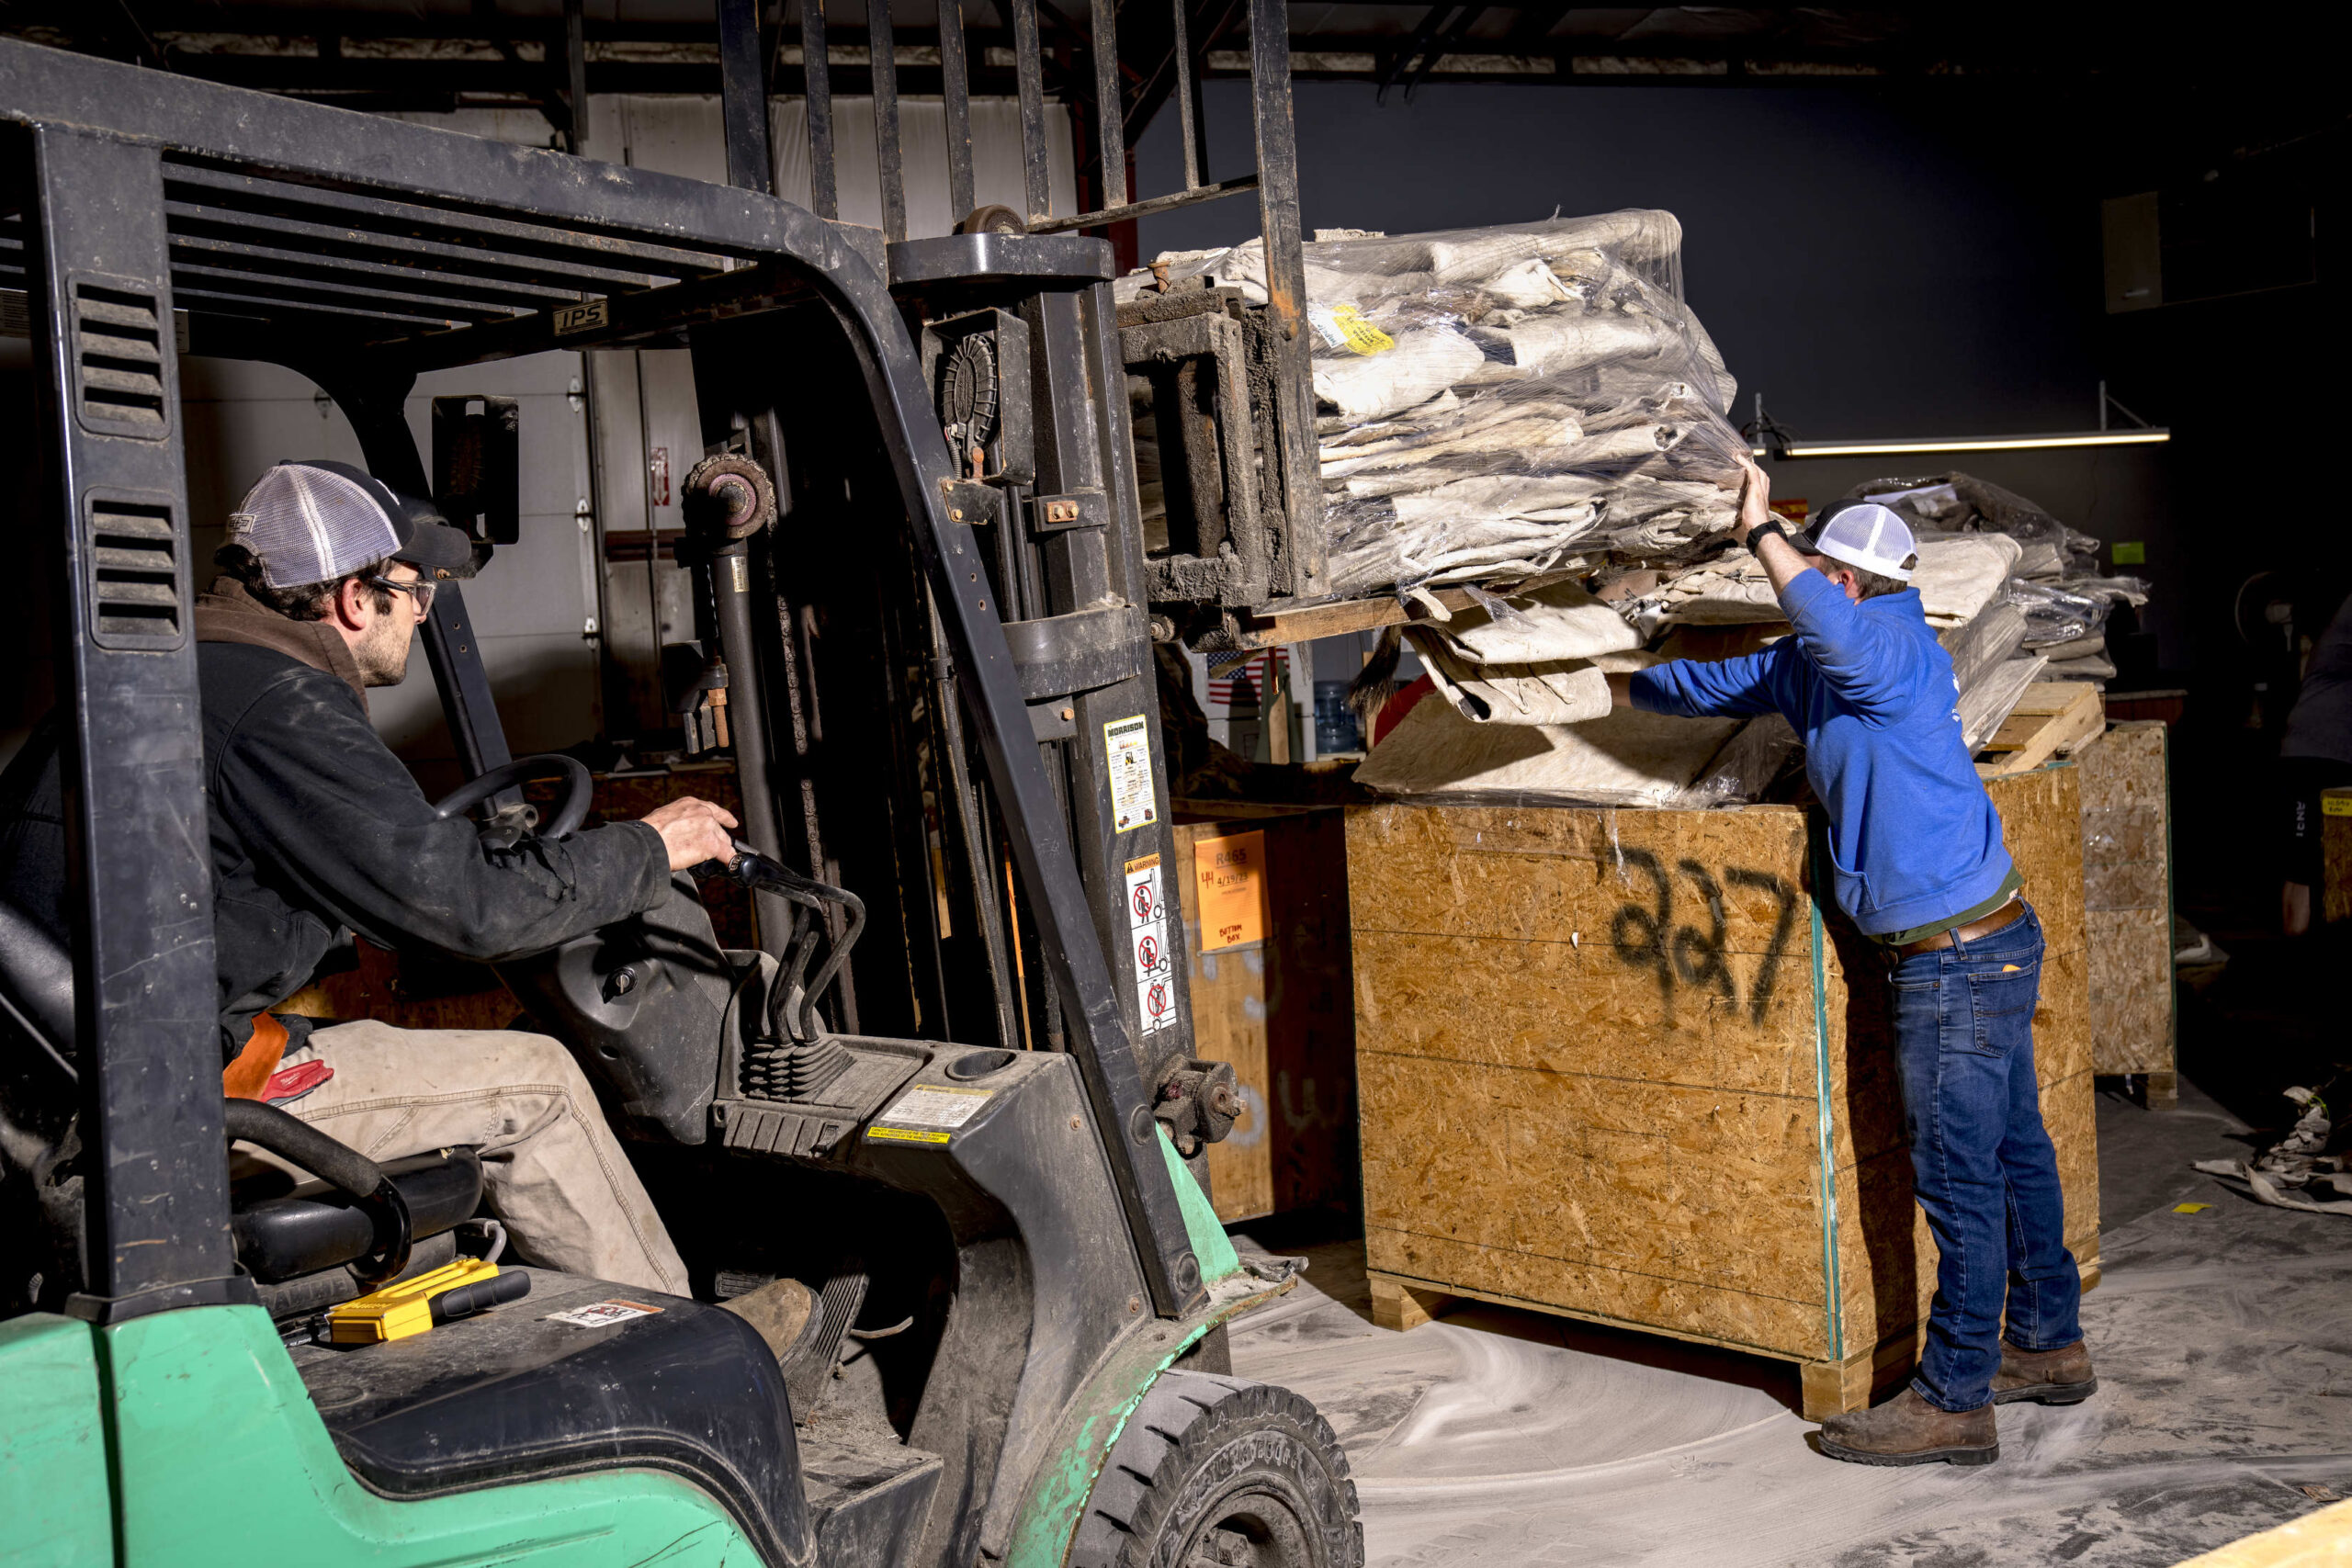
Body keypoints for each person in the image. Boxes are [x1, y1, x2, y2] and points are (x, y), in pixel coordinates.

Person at [1, 460, 741, 1294]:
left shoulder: (168, 674)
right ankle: (681, 1334)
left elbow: (367, 861)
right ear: (357, 598)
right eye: (415, 589)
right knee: (543, 1081)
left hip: (78, 1085)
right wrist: (649, 847)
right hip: (152, 1112)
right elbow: (471, 909)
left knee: (414, 1049)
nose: (422, 611)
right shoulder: (282, 707)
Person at [1605, 458, 2094, 1466]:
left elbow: (1831, 630)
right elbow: (1703, 687)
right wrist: (1594, 681)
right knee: (2012, 1154)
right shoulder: (1813, 664)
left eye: (1817, 573)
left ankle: (1955, 1397)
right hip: (1984, 942)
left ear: (1847, 582)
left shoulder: (1896, 650)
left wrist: (1759, 530)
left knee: (1959, 1181)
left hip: (1958, 960)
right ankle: (2048, 1344)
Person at [2278, 593, 2352, 936]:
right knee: (2303, 871)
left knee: (2337, 866)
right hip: (2313, 756)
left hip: (2340, 756)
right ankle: (2296, 962)